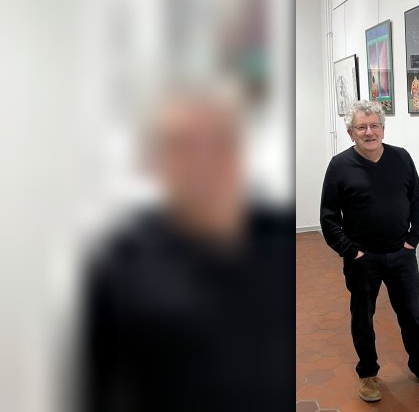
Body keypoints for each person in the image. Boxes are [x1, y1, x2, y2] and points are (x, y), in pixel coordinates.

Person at [82, 83, 293, 412]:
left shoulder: (277, 240)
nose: (203, 161)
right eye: (181, 146)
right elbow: (98, 384)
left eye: (219, 142)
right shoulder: (122, 262)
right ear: (152, 160)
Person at [320, 100, 419, 403]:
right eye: (361, 127)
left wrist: (412, 240)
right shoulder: (339, 166)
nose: (369, 132)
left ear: (382, 128)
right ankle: (368, 374)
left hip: (401, 255)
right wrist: (350, 251)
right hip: (362, 259)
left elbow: (417, 200)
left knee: (414, 316)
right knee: (363, 318)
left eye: (374, 125)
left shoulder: (401, 158)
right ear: (350, 133)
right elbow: (328, 216)